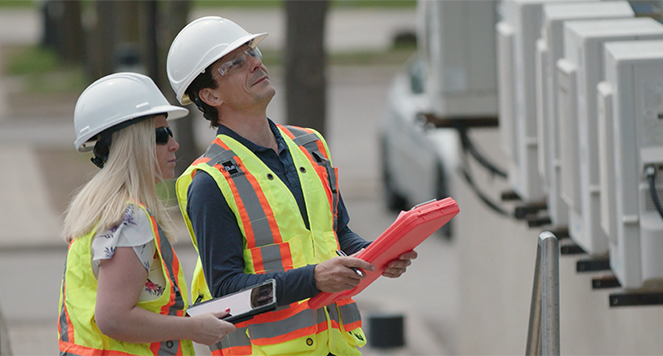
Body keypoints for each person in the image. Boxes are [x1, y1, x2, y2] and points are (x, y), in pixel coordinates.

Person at [166, 17, 417, 356]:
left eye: (253, 52)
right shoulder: (210, 182)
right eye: (236, 62)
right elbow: (227, 293)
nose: (256, 62)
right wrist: (313, 279)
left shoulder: (310, 145)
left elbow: (338, 235)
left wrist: (379, 254)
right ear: (210, 94)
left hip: (338, 346)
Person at [57, 72, 236, 355]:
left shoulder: (104, 208)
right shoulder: (129, 218)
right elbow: (113, 318)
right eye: (161, 136)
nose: (174, 145)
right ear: (133, 144)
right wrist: (193, 328)